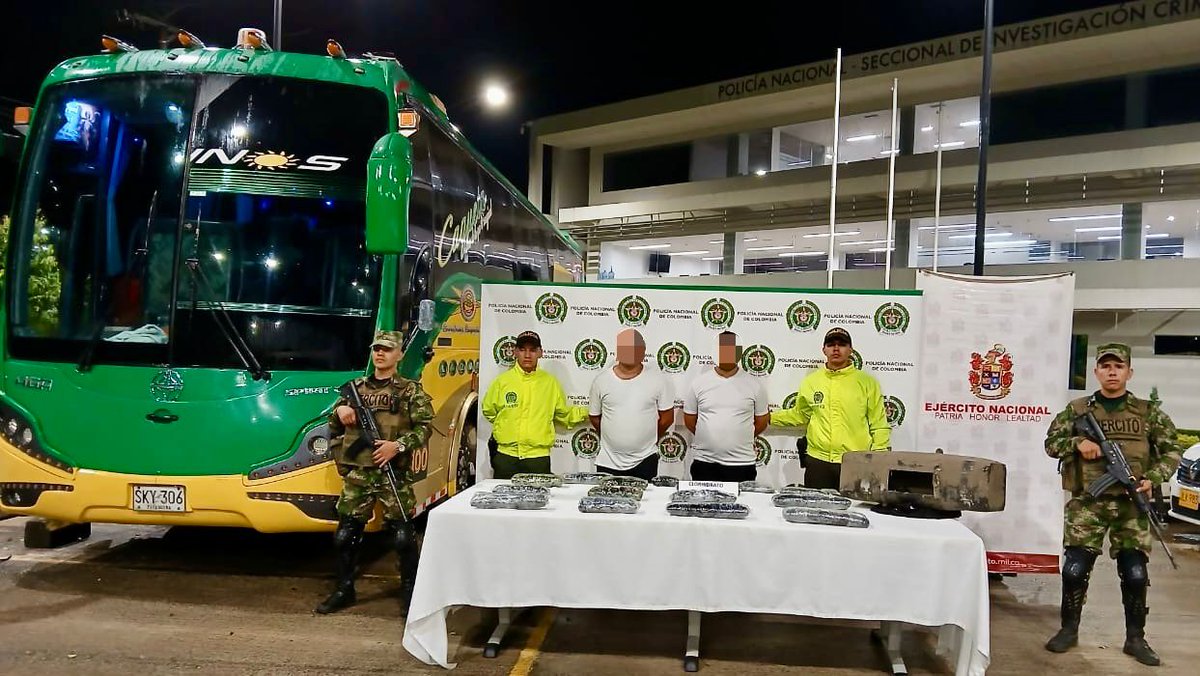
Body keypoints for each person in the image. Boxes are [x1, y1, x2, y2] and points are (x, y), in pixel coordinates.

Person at [1043, 343, 1183, 667]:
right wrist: (1079, 443)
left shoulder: (1148, 413)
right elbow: (1051, 444)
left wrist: (1152, 477)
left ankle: (1136, 638)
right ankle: (1069, 629)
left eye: (1118, 367)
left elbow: (1172, 450)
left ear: (1129, 372)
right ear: (1096, 372)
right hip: (1088, 504)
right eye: (1105, 366)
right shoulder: (1077, 410)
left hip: (1131, 505)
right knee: (1074, 570)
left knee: (1135, 573)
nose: (1111, 371)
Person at [316, 330, 433, 615]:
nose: (380, 354)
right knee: (345, 535)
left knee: (404, 537)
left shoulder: (409, 390)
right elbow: (332, 425)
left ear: (399, 355)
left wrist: (398, 445)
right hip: (359, 474)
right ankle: (344, 589)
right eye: (377, 349)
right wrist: (341, 411)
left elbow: (425, 426)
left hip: (392, 471)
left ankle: (409, 591)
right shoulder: (355, 388)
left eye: (387, 350)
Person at [770, 327, 890, 489]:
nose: (836, 348)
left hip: (853, 462)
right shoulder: (811, 381)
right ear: (824, 350)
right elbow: (800, 415)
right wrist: (767, 417)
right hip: (817, 463)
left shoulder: (867, 383)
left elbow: (879, 424)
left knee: (853, 512)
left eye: (842, 344)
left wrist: (878, 460)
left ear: (850, 350)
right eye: (831, 344)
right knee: (815, 512)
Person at [482, 330, 588, 479]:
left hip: (537, 459)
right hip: (506, 457)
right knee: (503, 502)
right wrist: (506, 425)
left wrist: (590, 412)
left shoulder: (550, 383)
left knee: (540, 502)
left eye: (532, 350)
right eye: (522, 349)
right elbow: (489, 410)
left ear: (540, 353)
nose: (527, 355)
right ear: (515, 352)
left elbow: (563, 414)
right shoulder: (502, 382)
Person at [588, 329, 675, 480]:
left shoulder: (659, 380)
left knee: (645, 503)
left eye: (635, 348)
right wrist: (613, 438)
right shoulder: (601, 380)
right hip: (608, 461)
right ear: (618, 350)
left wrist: (647, 438)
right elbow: (595, 417)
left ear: (643, 351)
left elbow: (667, 418)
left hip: (645, 460)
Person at [683, 331, 769, 482]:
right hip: (705, 463)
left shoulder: (755, 385)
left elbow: (761, 421)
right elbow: (690, 420)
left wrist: (740, 437)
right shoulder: (699, 383)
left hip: (742, 464)